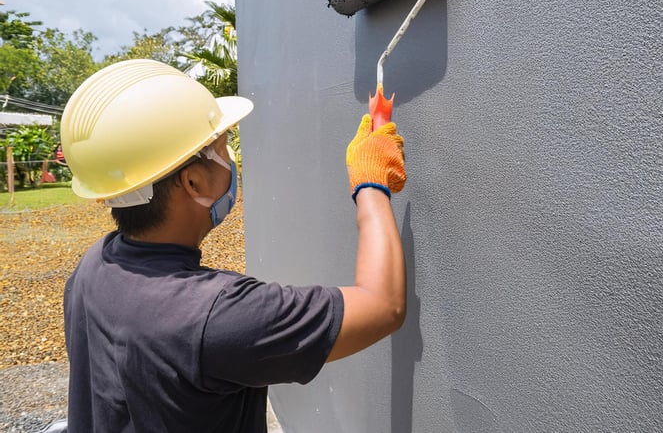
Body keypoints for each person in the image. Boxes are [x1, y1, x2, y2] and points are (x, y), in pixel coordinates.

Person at [60, 59, 407, 433]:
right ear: (193, 182)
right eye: (223, 150)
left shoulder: (94, 265)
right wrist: (371, 184)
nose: (232, 161)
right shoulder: (218, 316)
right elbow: (382, 304)